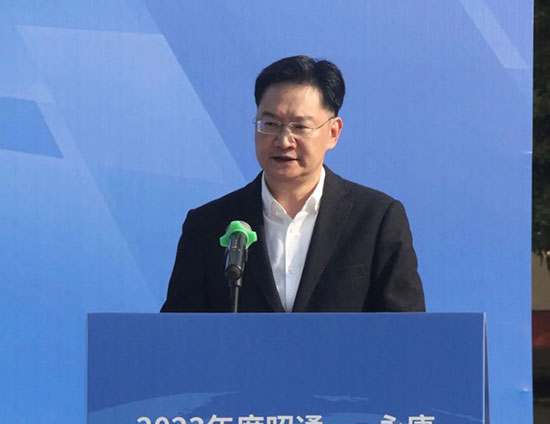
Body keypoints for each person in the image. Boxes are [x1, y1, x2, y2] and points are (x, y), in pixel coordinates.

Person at [161, 55, 425, 313]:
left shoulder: (376, 220)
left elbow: (407, 331)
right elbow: (179, 332)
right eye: (271, 124)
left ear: (333, 133)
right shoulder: (207, 225)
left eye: (300, 127)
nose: (284, 140)